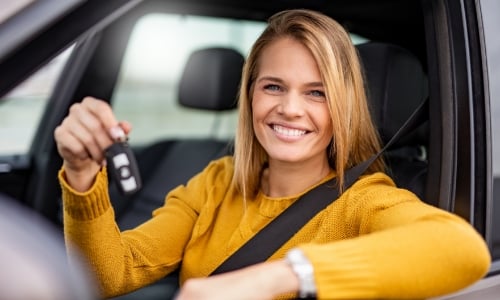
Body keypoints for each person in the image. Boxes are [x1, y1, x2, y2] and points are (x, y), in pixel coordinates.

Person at [54, 9, 491, 300]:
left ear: (344, 108)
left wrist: (276, 276)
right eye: (273, 86)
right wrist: (81, 176)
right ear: (250, 96)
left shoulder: (364, 200)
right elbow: (108, 274)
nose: (290, 108)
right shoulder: (217, 182)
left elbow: (462, 250)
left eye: (317, 93)